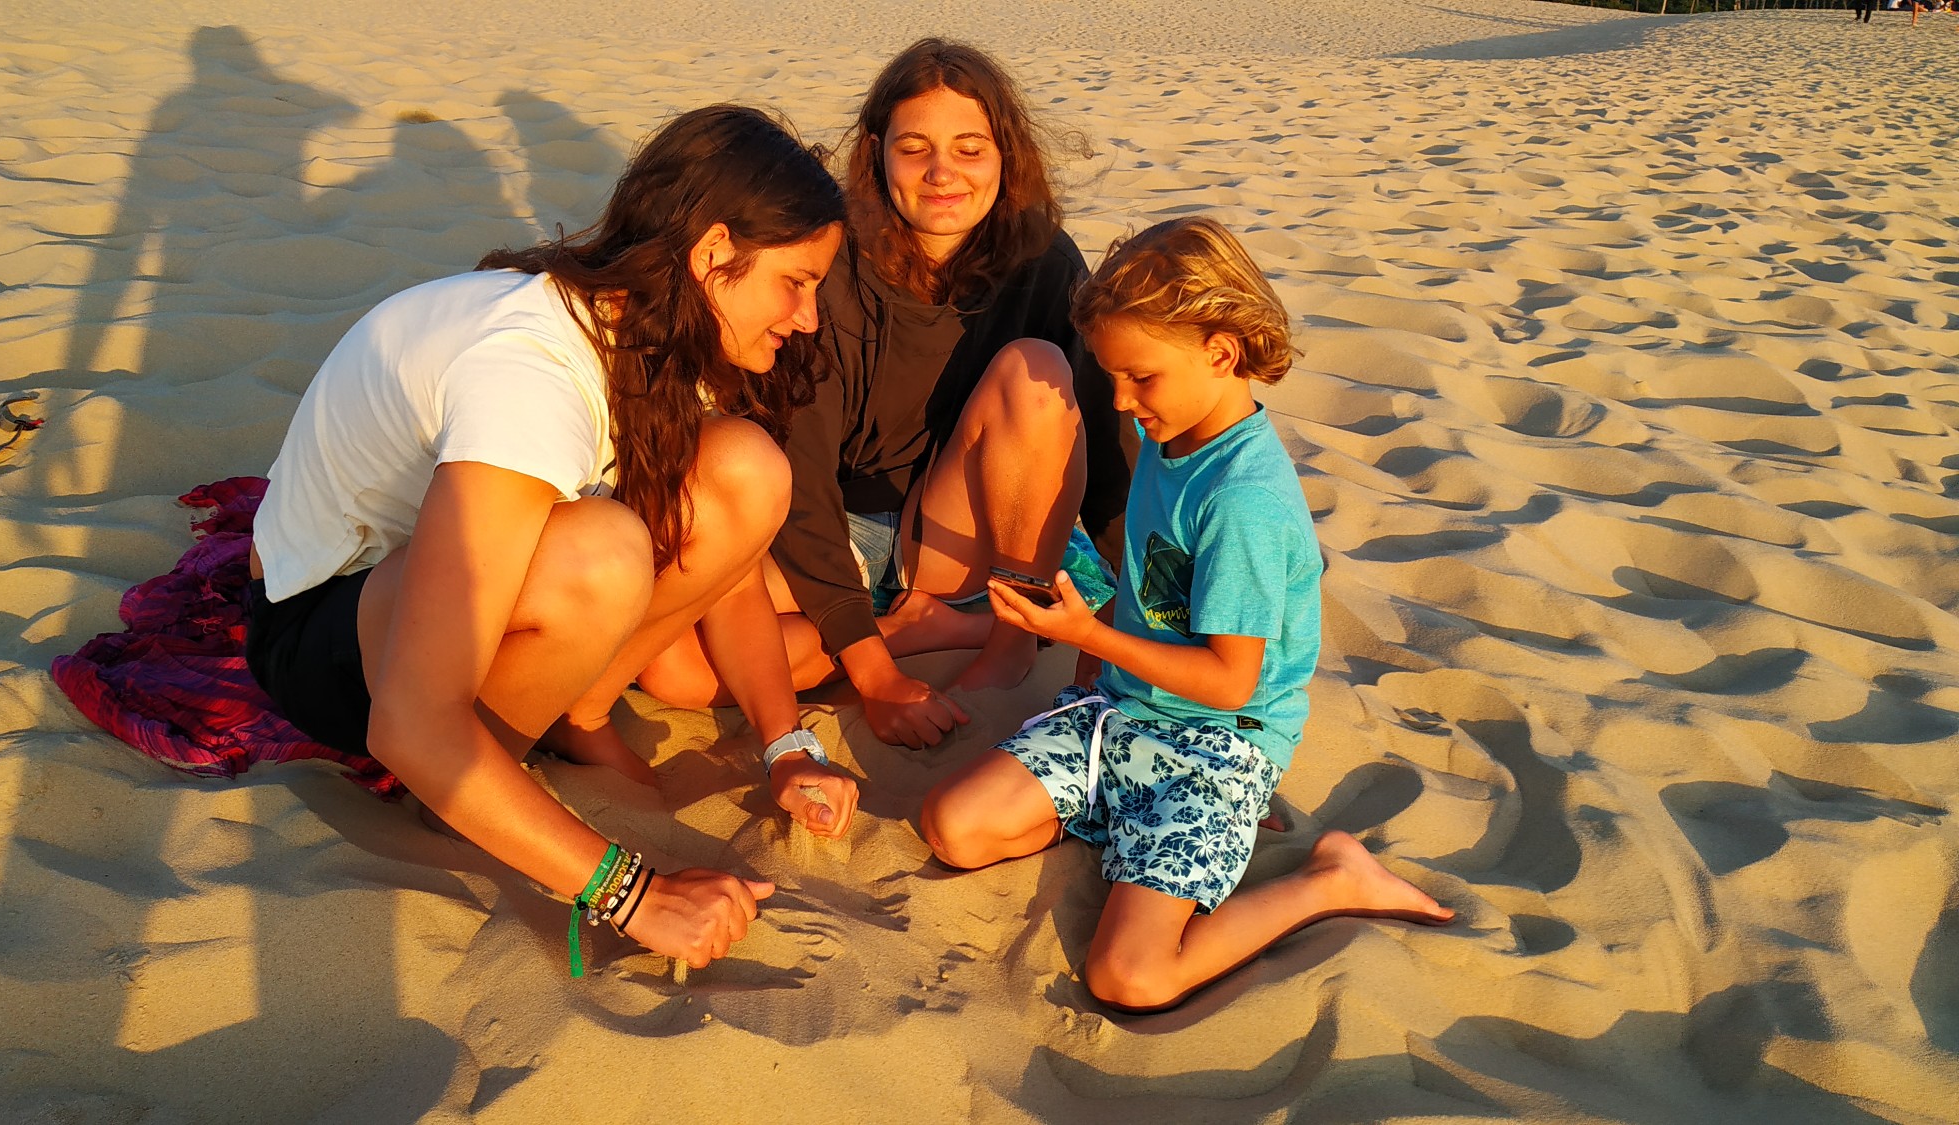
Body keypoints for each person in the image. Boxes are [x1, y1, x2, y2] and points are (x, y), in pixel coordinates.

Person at [245, 105, 859, 975]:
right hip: (321, 631)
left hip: (421, 592)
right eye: (795, 282)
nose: (807, 317)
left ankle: (575, 713)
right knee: (600, 553)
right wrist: (634, 893)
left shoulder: (655, 332)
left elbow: (732, 572)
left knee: (745, 469)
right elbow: (409, 723)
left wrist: (784, 745)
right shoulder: (531, 371)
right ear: (713, 253)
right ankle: (464, 790)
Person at [917, 218, 1453, 1011]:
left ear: (1222, 353)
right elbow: (1150, 589)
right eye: (1113, 378)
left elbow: (1230, 682)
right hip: (1122, 712)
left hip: (1213, 744)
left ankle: (1330, 878)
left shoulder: (1243, 503)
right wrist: (1087, 630)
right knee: (953, 826)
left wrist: (1088, 635)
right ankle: (1118, 823)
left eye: (1141, 378)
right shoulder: (1172, 441)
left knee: (1129, 976)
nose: (1122, 402)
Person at [635, 38, 1133, 749]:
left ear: (1006, 156)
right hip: (830, 527)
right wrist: (874, 670)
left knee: (1038, 368)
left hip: (959, 533)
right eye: (914, 148)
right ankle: (919, 629)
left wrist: (1138, 599)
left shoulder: (1043, 258)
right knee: (674, 671)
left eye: (970, 149)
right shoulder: (823, 267)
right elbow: (800, 478)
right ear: (876, 153)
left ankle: (1012, 636)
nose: (942, 173)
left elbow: (1109, 446)